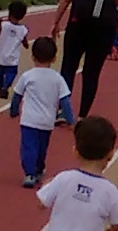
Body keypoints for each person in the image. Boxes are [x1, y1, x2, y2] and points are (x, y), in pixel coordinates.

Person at [9, 33, 71, 188]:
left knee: (29, 147)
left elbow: (17, 95)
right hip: (47, 121)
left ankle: (30, 173)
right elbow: (65, 101)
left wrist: (13, 110)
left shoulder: (27, 76)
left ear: (32, 57)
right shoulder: (58, 78)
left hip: (29, 120)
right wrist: (71, 120)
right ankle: (37, 169)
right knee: (42, 147)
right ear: (54, 58)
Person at [0, 1, 31, 99]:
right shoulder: (23, 29)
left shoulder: (4, 25)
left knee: (0, 74)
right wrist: (26, 44)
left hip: (2, 56)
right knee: (11, 73)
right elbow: (25, 42)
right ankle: (6, 86)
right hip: (13, 58)